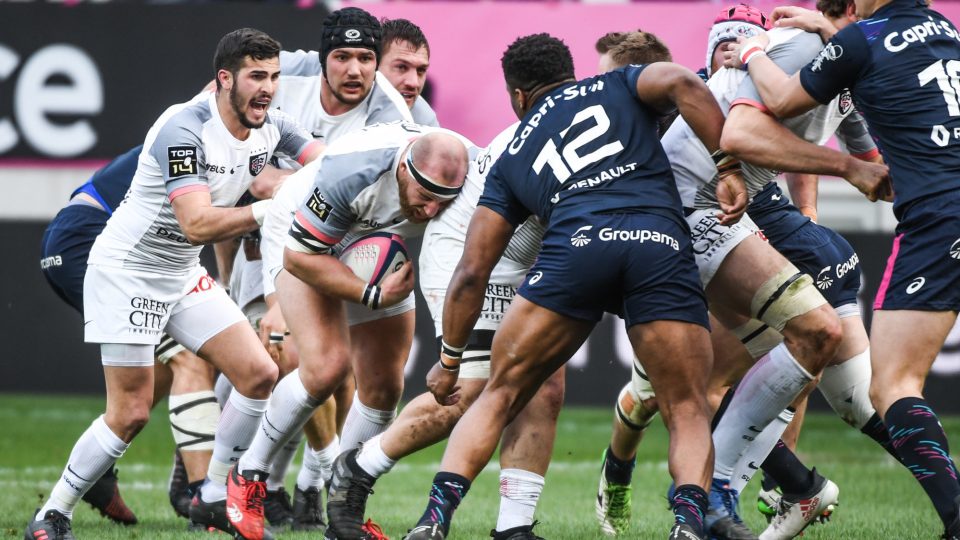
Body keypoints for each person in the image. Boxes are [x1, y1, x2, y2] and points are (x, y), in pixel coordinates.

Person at [403, 32, 749, 540]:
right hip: (657, 242)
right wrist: (728, 165)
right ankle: (689, 527)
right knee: (687, 406)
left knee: (500, 393)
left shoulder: (513, 152)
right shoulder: (618, 84)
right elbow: (679, 80)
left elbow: (473, 271)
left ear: (518, 96)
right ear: (570, 72)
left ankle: (433, 522)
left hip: (577, 250)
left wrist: (450, 360)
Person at [589, 8, 891, 538]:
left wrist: (809, 214)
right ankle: (621, 474)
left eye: (740, 43)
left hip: (716, 228)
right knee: (659, 393)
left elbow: (797, 141)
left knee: (776, 352)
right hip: (665, 239)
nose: (729, 54)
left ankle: (762, 490)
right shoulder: (680, 106)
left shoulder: (738, 94)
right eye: (722, 46)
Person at [24, 28, 323, 540]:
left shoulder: (275, 124)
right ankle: (52, 514)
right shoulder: (184, 127)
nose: (268, 88)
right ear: (223, 79)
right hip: (126, 270)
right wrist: (276, 208)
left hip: (181, 273)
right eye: (256, 76)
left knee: (256, 374)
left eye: (273, 77)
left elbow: (326, 164)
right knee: (131, 412)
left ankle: (211, 499)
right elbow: (198, 225)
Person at [728, 1, 960, 537]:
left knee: (895, 385)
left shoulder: (860, 42)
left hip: (940, 218)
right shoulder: (942, 26)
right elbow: (886, 57)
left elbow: (782, 99)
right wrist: (829, 30)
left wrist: (756, 52)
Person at [226, 122, 470, 540]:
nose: (431, 211)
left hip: (375, 236)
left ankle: (344, 508)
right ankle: (247, 474)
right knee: (326, 367)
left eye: (442, 202)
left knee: (384, 386)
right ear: (405, 169)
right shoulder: (353, 172)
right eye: (425, 197)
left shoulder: (472, 175)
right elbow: (300, 258)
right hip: (301, 236)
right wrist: (371, 295)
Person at [323, 122, 563, 540]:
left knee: (545, 386)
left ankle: (514, 527)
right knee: (466, 391)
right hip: (468, 255)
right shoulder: (577, 125)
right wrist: (449, 360)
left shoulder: (603, 124)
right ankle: (357, 468)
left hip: (526, 262)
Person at [245, 7, 417, 531]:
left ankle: (325, 487)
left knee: (380, 384)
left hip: (357, 232)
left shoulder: (400, 119)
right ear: (323, 60)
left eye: (366, 58)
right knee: (285, 360)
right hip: (286, 226)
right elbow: (220, 119)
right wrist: (256, 173)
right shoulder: (281, 77)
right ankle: (240, 483)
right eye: (342, 56)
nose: (355, 70)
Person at [40, 146, 223, 525]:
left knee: (169, 362)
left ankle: (98, 471)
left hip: (103, 241)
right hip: (87, 240)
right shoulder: (207, 129)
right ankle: (203, 500)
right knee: (188, 356)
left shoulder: (245, 136)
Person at [379, 18, 438, 127]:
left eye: (421, 70)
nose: (414, 83)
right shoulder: (342, 107)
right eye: (401, 67)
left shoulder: (425, 121)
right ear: (374, 67)